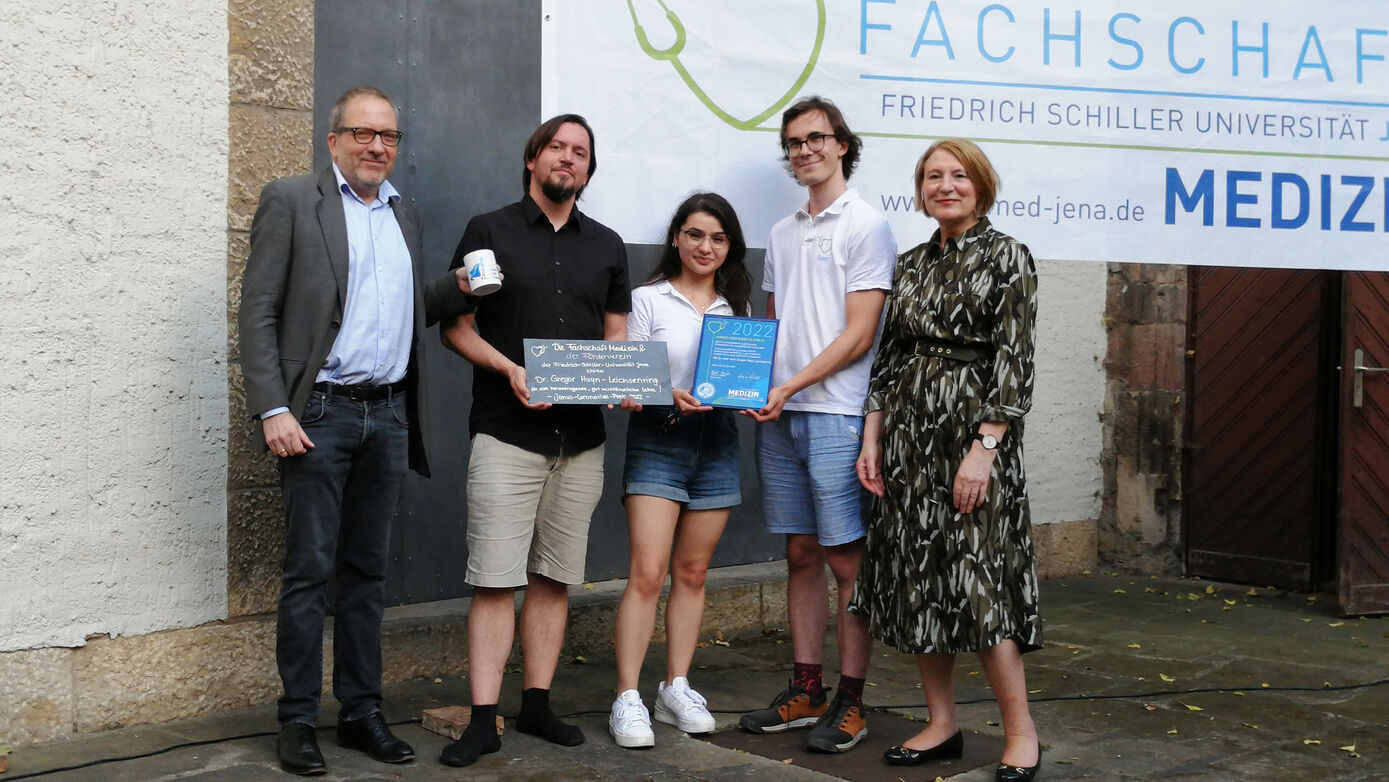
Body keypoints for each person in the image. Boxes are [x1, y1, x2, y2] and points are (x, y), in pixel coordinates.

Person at [238, 85, 473, 776]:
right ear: (333, 138)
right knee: (310, 572)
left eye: (389, 137)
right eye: (364, 134)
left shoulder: (405, 214)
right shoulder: (290, 201)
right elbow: (256, 313)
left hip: (388, 412)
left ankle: (361, 713)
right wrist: (272, 408)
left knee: (366, 574)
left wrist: (456, 287)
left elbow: (398, 310)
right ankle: (298, 720)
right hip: (318, 415)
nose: (378, 147)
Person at [438, 114, 631, 768]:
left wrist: (619, 376)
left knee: (553, 576)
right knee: (494, 579)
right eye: (557, 148)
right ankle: (483, 716)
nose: (567, 160)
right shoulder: (486, 231)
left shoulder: (606, 245)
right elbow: (455, 328)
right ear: (532, 159)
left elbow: (615, 333)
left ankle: (538, 703)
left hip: (580, 439)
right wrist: (509, 369)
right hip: (507, 431)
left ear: (587, 169)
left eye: (580, 153)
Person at [850, 138, 1042, 782]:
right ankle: (941, 723)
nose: (945, 185)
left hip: (970, 444)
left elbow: (1015, 364)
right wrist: (872, 434)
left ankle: (1020, 732)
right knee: (921, 584)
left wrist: (983, 449)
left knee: (979, 586)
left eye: (958, 175)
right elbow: (891, 356)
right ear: (921, 189)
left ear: (980, 185)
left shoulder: (1008, 256)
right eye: (933, 176)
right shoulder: (908, 263)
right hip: (907, 442)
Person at [737, 96, 897, 753]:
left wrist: (791, 385)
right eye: (794, 142)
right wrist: (750, 384)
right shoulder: (779, 232)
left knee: (844, 562)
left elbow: (860, 335)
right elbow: (772, 327)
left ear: (841, 145)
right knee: (799, 553)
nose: (803, 150)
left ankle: (851, 700)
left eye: (815, 139)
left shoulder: (867, 224)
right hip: (781, 413)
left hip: (833, 411)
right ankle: (806, 688)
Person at [607, 193, 753, 748]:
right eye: (695, 235)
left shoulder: (735, 307)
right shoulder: (647, 299)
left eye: (717, 238)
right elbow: (629, 373)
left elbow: (744, 377)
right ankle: (627, 697)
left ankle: (675, 687)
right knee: (647, 572)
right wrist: (665, 392)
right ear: (676, 237)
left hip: (716, 442)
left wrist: (751, 397)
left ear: (729, 246)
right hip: (658, 439)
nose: (705, 247)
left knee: (692, 574)